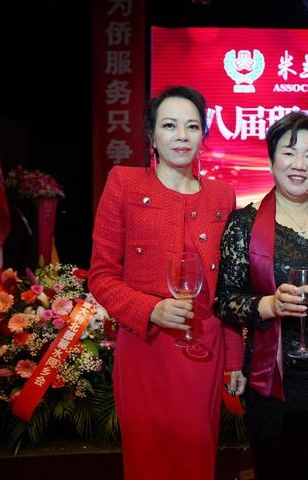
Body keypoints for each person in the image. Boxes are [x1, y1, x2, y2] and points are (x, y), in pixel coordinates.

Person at [88, 85, 246, 480]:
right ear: (152, 134)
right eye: (170, 125)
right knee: (149, 457)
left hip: (203, 346)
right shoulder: (124, 183)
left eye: (192, 126)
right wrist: (151, 309)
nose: (181, 136)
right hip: (146, 346)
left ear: (203, 135)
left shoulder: (222, 195)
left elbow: (229, 288)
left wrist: (234, 360)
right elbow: (101, 276)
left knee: (196, 452)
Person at [214, 111, 308, 480]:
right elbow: (224, 299)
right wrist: (269, 304)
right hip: (273, 384)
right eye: (289, 153)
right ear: (271, 159)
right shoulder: (244, 223)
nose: (299, 164)